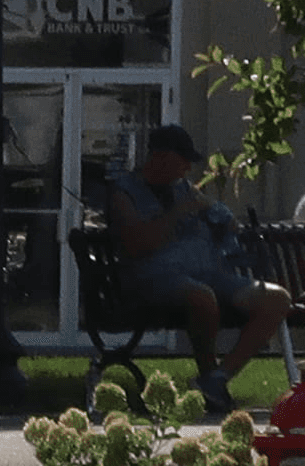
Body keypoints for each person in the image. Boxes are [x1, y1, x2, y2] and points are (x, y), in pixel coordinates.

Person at [94, 123, 290, 414]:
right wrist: (179, 212)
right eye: (182, 159)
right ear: (159, 157)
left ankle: (215, 379)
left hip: (208, 273)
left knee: (276, 299)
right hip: (152, 280)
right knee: (201, 296)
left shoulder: (184, 189)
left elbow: (224, 227)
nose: (187, 167)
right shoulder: (125, 192)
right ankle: (210, 376)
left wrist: (221, 220)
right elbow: (137, 245)